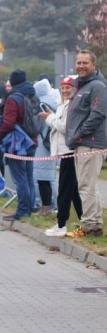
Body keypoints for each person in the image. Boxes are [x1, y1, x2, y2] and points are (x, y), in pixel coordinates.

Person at [65, 50, 106, 238]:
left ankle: (89, 226)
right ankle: (94, 225)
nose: (81, 66)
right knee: (89, 185)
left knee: (86, 186)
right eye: (79, 62)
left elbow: (98, 114)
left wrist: (80, 135)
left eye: (85, 63)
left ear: (93, 65)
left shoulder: (97, 86)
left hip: (90, 143)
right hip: (81, 144)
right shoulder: (80, 86)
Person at [0, 69, 39, 221]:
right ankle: (31, 207)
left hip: (18, 143)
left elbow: (8, 123)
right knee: (28, 176)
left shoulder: (13, 98)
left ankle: (22, 210)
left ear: (13, 82)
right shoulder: (32, 95)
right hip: (32, 140)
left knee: (19, 177)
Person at [42, 76, 82, 237]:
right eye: (63, 88)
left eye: (68, 88)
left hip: (69, 151)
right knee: (73, 191)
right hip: (64, 151)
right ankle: (84, 221)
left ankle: (61, 224)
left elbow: (65, 127)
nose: (65, 91)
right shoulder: (63, 104)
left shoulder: (72, 105)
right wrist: (53, 115)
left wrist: (49, 118)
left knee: (64, 189)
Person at [32, 78, 60, 216]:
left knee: (43, 179)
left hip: (42, 146)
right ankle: (46, 206)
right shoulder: (54, 102)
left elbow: (38, 126)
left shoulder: (42, 105)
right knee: (46, 178)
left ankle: (47, 207)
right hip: (49, 145)